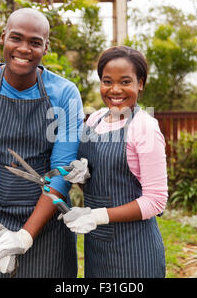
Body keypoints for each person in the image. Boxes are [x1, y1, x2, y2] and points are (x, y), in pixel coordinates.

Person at [0, 8, 84, 278]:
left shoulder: (65, 93)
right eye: (16, 38)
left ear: (46, 47)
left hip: (49, 225)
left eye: (35, 42)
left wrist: (25, 236)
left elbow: (62, 170)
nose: (24, 48)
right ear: (3, 38)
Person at [60, 46, 168, 277]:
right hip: (97, 247)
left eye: (125, 82)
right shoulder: (95, 120)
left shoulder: (145, 127)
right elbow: (99, 183)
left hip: (136, 252)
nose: (115, 90)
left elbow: (156, 201)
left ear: (140, 83)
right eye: (107, 81)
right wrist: (82, 177)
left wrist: (98, 216)